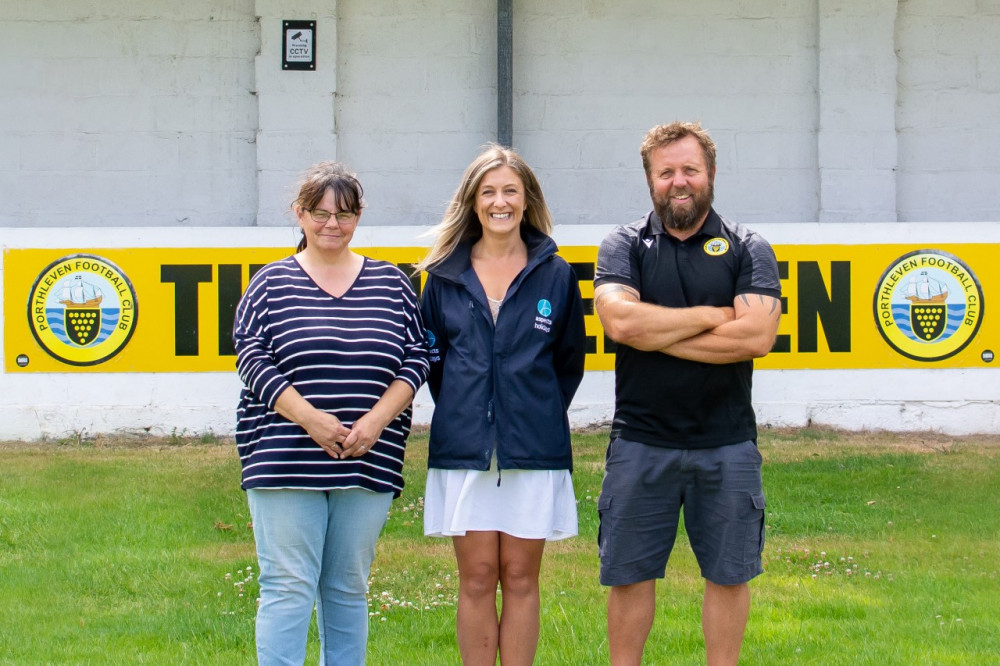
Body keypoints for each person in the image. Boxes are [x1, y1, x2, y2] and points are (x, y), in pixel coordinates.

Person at [593, 122, 782, 666]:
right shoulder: (623, 244)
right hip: (640, 442)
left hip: (726, 443)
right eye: (666, 171)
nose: (679, 181)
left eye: (689, 170)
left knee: (728, 575)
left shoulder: (749, 247)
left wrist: (656, 332)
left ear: (711, 174)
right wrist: (709, 317)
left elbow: (756, 336)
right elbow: (622, 325)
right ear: (650, 179)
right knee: (629, 576)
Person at [233, 162, 429, 666]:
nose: (331, 225)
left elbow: (416, 358)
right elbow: (252, 360)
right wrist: (311, 420)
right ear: (299, 215)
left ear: (359, 216)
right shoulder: (270, 284)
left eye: (344, 214)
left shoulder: (392, 283)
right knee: (287, 585)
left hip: (368, 456)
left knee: (346, 587)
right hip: (284, 458)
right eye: (319, 213)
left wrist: (376, 422)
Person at [415, 144, 587, 665]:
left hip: (532, 451)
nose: (500, 202)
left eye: (510, 191)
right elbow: (435, 366)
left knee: (519, 576)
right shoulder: (442, 277)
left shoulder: (555, 274)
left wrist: (525, 414)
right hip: (463, 450)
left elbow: (568, 364)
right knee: (476, 577)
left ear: (527, 199)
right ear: (472, 202)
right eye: (488, 192)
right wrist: (474, 415)